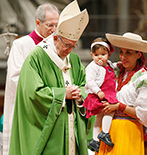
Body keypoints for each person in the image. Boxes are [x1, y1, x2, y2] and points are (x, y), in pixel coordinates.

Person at [9, 1, 94, 154]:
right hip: (50, 132)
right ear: (55, 38)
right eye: (67, 45)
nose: (69, 50)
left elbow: (86, 85)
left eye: (73, 46)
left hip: (71, 127)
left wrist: (80, 94)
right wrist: (62, 95)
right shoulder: (36, 57)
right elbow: (32, 92)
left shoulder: (74, 59)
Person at [3, 3, 59, 154]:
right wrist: (43, 89)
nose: (54, 29)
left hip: (50, 107)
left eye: (57, 25)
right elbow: (16, 78)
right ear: (38, 23)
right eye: (50, 25)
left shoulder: (57, 46)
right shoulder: (21, 45)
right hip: (28, 107)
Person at [94, 32, 147, 155]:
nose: (123, 57)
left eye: (128, 52)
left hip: (129, 130)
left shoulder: (144, 79)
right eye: (121, 52)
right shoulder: (114, 70)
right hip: (107, 130)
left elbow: (146, 116)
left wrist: (119, 106)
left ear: (138, 54)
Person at [83, 37, 119, 152]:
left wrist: (119, 65)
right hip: (100, 94)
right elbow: (90, 81)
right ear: (92, 55)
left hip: (107, 92)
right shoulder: (92, 67)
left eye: (103, 54)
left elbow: (113, 66)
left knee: (99, 117)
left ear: (108, 55)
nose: (100, 57)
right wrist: (98, 91)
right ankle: (104, 133)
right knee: (109, 110)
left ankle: (95, 140)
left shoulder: (107, 64)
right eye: (96, 55)